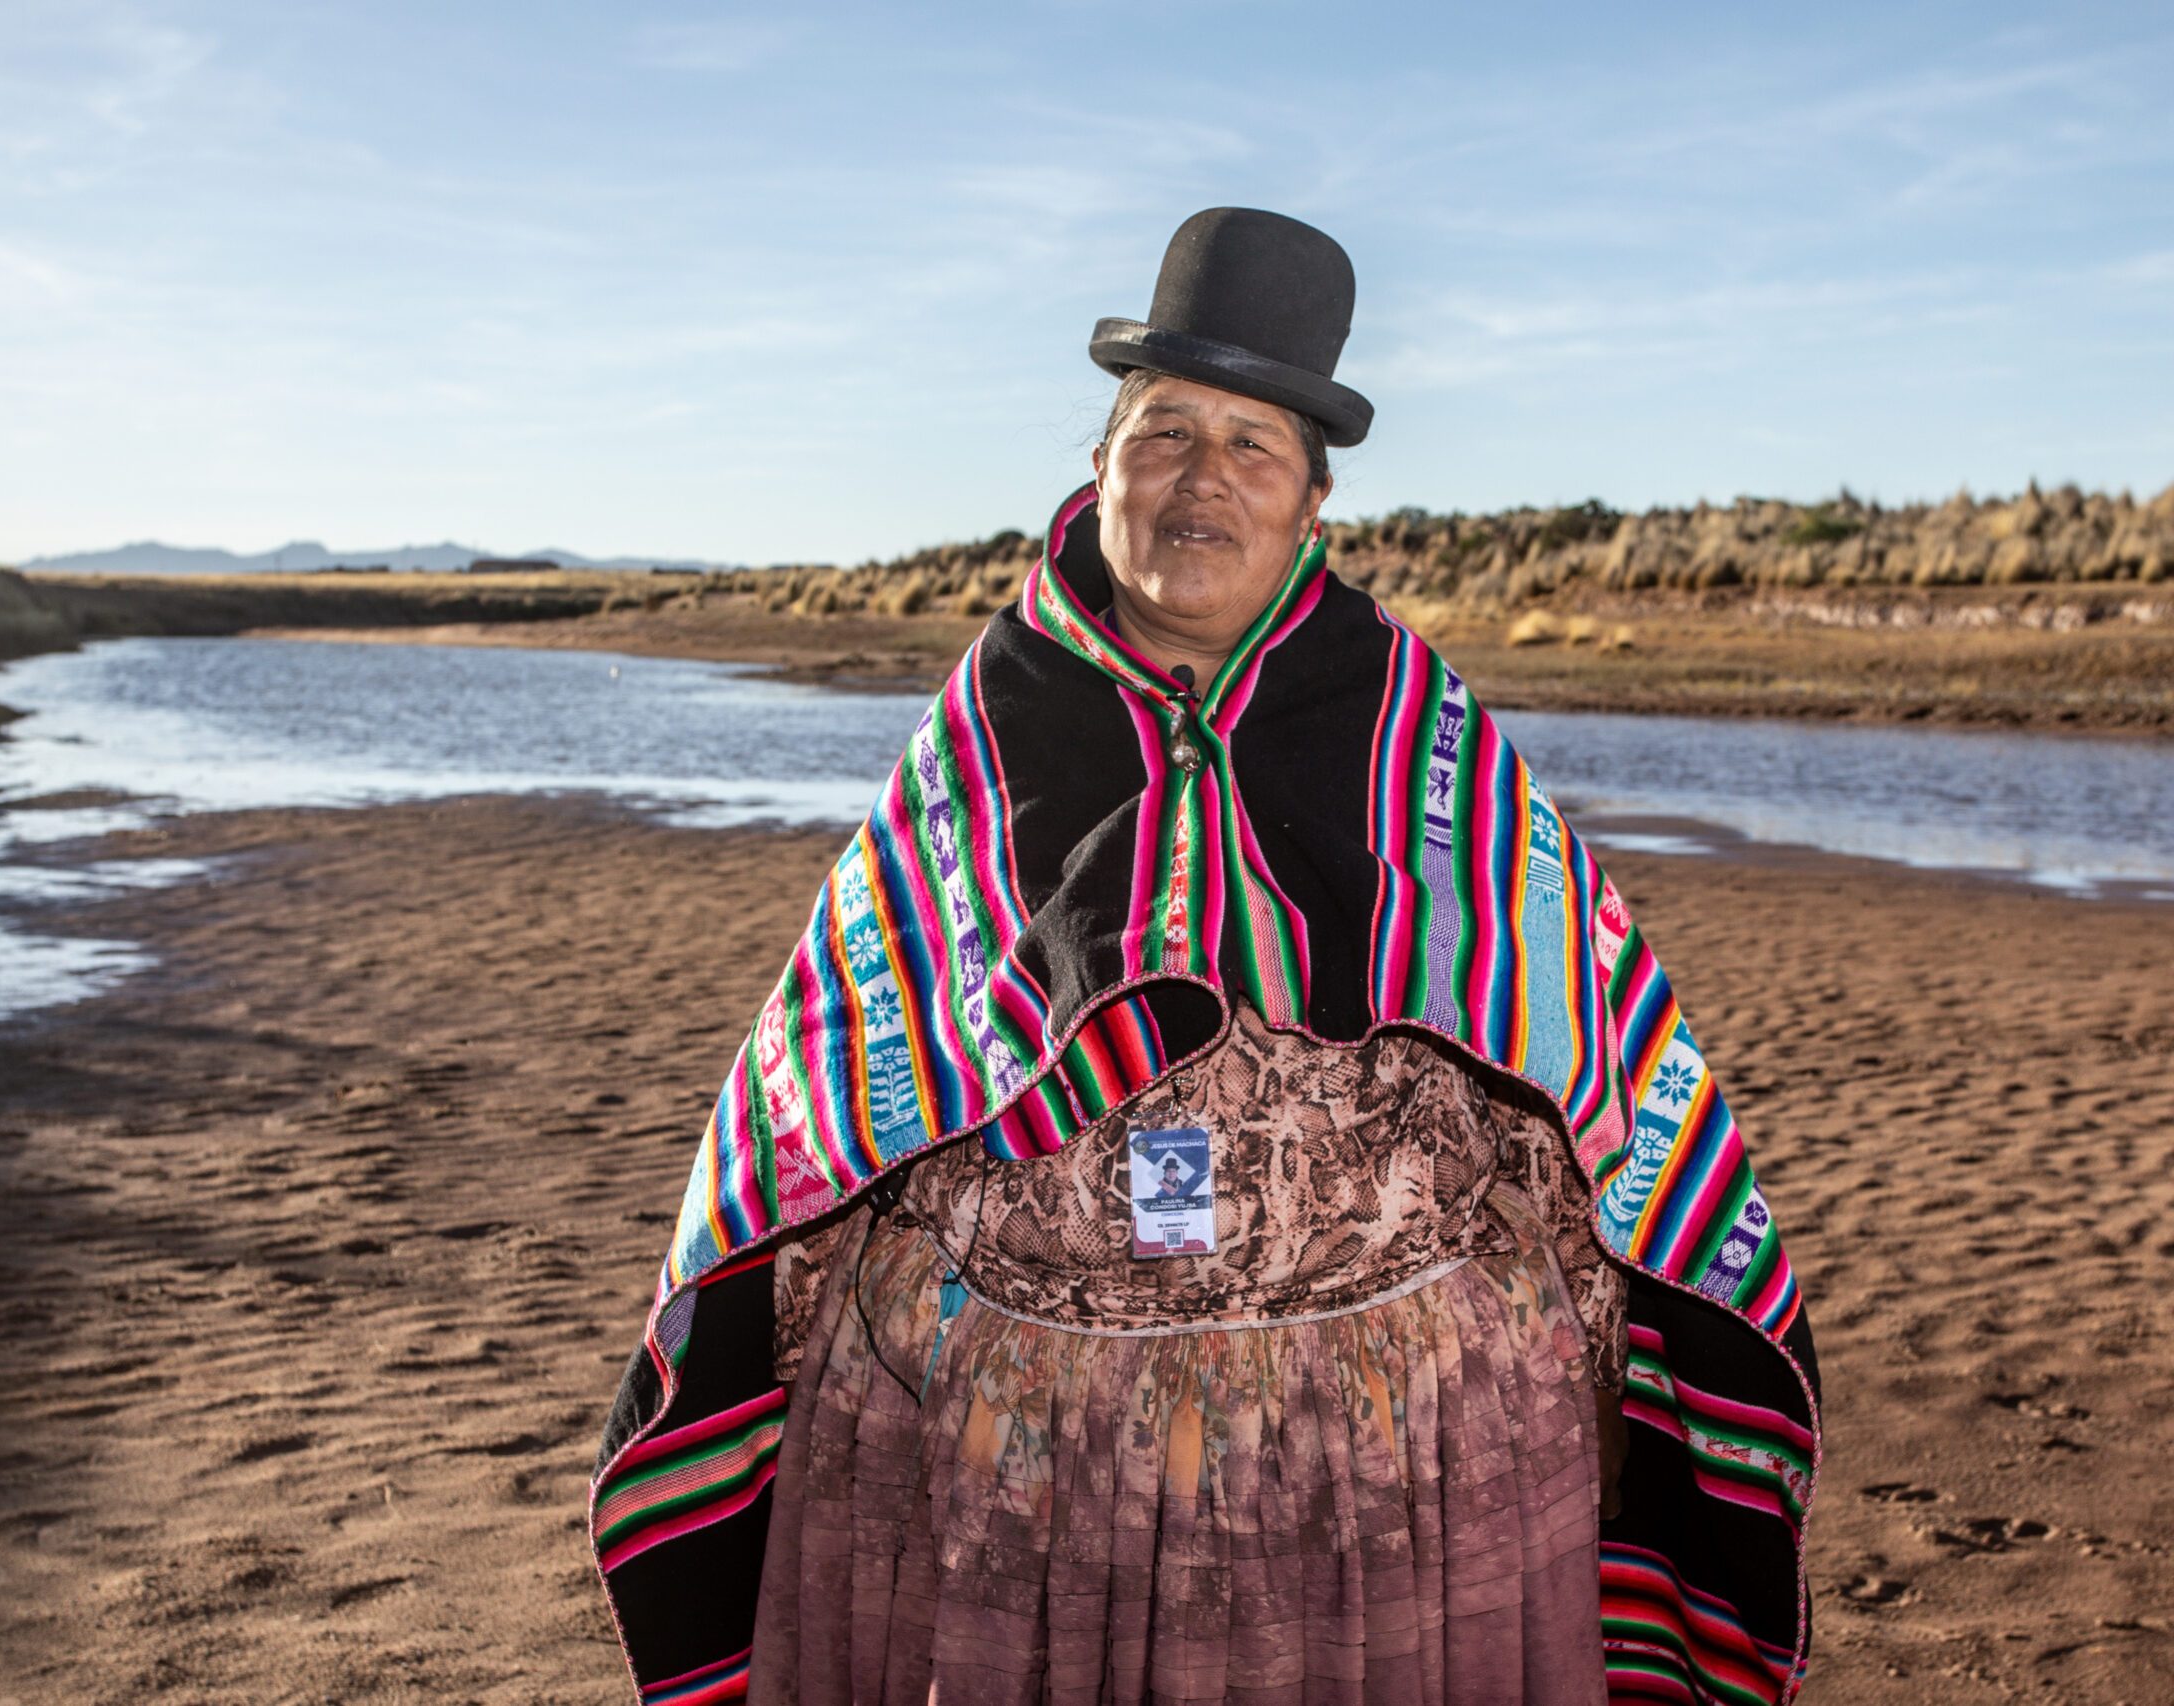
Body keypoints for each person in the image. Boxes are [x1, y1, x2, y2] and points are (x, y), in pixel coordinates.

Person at [592, 208, 1822, 1706]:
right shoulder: (995, 715)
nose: (1202, 477)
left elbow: (1583, 1024)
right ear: (1099, 467)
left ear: (1312, 507)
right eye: (1166, 429)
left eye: (1255, 445)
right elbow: (845, 1039)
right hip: (1007, 1459)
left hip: (1381, 1463)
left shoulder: (1407, 718)